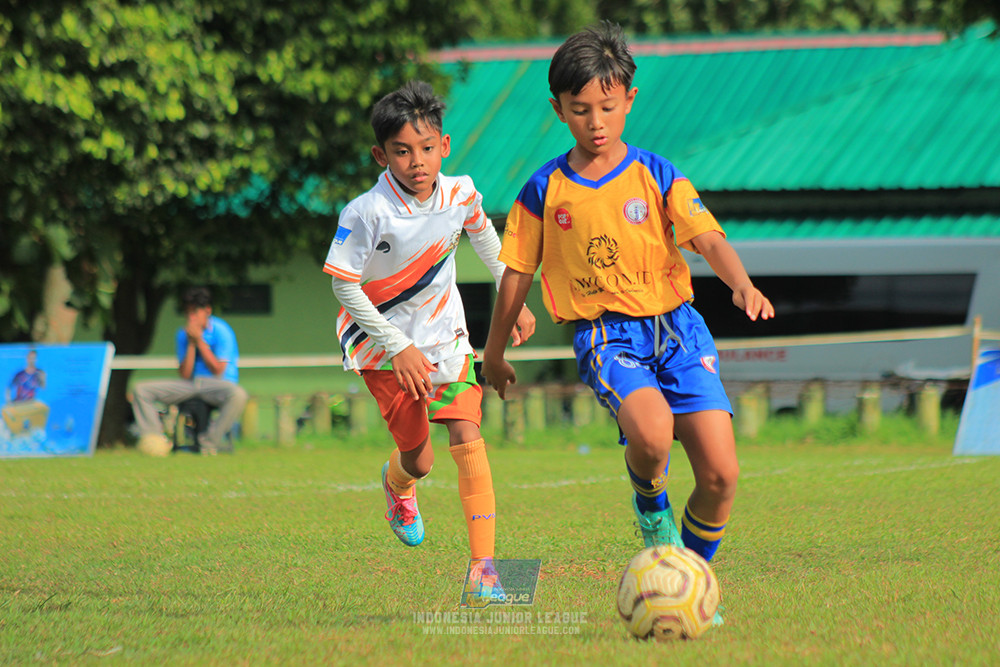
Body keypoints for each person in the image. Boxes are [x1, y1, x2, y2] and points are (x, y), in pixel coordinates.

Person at [480, 22, 774, 621]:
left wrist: (741, 284)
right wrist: (493, 352)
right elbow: (516, 273)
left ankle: (686, 582)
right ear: (558, 108)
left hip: (679, 331)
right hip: (608, 336)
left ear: (629, 100)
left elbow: (707, 238)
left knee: (721, 476)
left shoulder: (657, 174)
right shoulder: (543, 190)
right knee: (652, 433)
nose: (596, 121)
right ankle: (650, 504)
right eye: (581, 109)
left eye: (608, 107)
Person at [322, 80, 535, 601]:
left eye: (426, 147)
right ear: (382, 154)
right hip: (380, 346)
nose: (417, 161)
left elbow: (484, 235)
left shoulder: (460, 191)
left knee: (468, 430)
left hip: (445, 338)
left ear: (443, 144)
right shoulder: (365, 212)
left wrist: (514, 297)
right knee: (420, 459)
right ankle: (398, 484)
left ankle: (483, 569)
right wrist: (397, 344)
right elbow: (341, 283)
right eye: (401, 151)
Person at [132, 286, 248, 456]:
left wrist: (200, 341)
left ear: (207, 310)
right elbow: (185, 374)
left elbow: (218, 370)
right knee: (141, 389)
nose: (191, 317)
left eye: (195, 312)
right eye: (188, 313)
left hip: (218, 384)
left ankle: (208, 444)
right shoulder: (182, 334)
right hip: (191, 384)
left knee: (239, 395)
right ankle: (155, 442)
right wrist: (191, 344)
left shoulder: (222, 330)